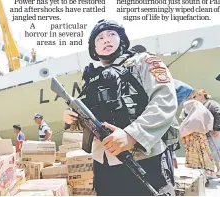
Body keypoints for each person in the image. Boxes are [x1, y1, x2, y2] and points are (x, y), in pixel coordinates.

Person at [63, 19, 177, 196]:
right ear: (94, 49)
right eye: (99, 38)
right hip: (104, 164)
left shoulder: (144, 61)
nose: (106, 40)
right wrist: (74, 119)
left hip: (144, 160)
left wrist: (132, 135)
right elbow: (95, 119)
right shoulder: (92, 79)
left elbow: (164, 101)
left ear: (122, 40)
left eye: (111, 34)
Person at [193, 89, 220, 183]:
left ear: (201, 95)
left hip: (214, 133)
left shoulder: (212, 104)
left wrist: (217, 129)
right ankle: (219, 171)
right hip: (207, 134)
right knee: (213, 154)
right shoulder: (201, 106)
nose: (194, 98)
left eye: (195, 96)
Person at [179, 97, 215, 186]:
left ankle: (201, 179)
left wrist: (181, 134)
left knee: (196, 159)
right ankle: (205, 177)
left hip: (193, 140)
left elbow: (187, 129)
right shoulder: (201, 113)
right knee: (203, 157)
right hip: (202, 139)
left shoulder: (194, 117)